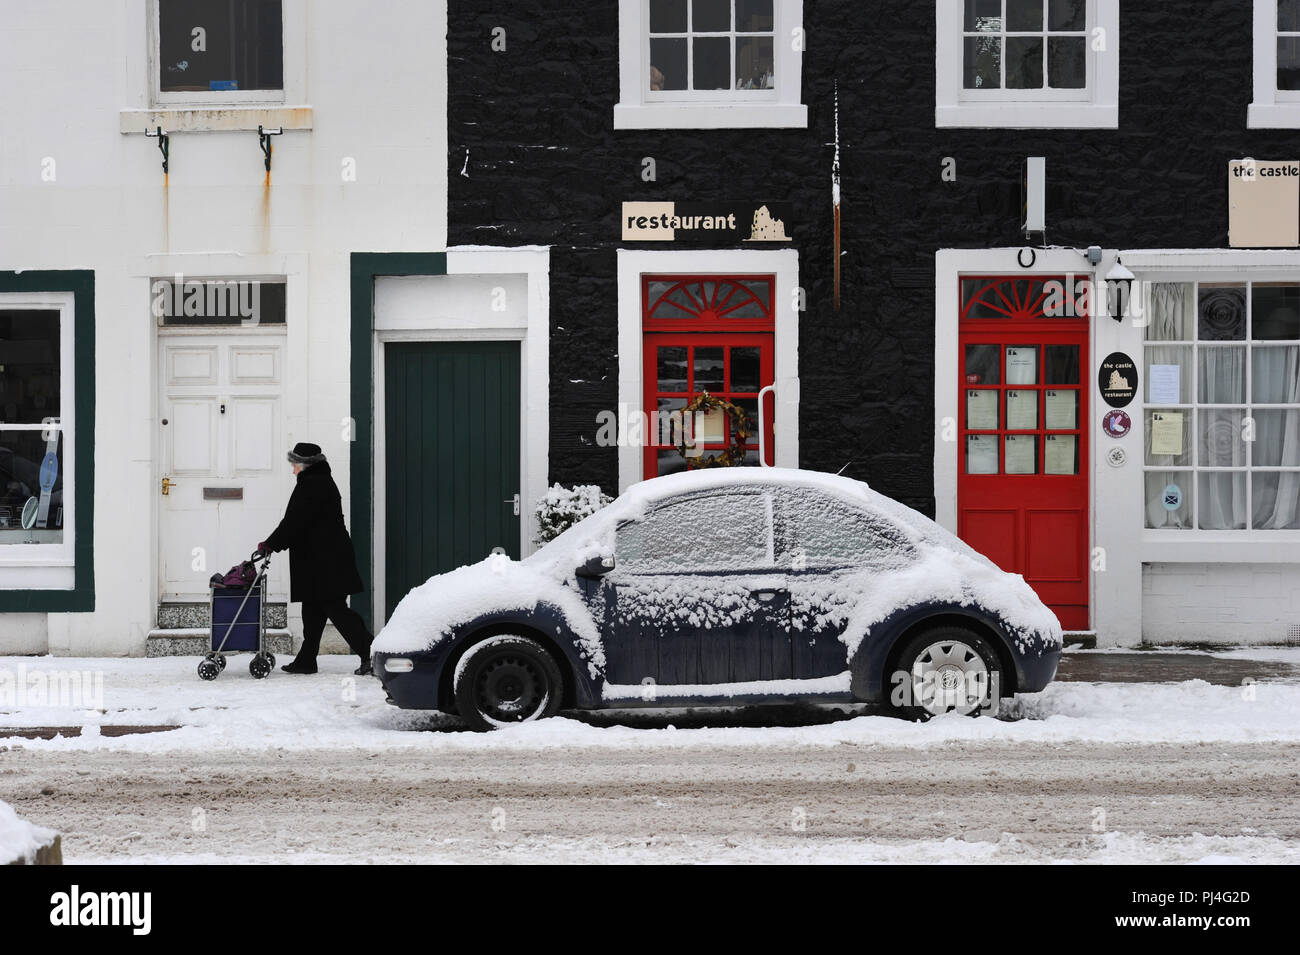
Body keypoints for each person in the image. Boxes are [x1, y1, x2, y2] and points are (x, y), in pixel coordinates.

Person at [258, 442, 374, 676]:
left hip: (326, 563)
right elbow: (298, 522)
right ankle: (306, 660)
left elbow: (294, 522)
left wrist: (270, 544)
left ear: (304, 464)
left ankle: (372, 654)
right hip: (321, 561)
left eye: (294, 464)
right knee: (312, 611)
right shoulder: (318, 481)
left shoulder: (312, 485)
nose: (292, 470)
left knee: (337, 611)